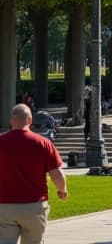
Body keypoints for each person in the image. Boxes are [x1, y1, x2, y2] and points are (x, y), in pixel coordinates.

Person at [0, 104, 68, 244]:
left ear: (11, 121)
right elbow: (56, 173)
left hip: (4, 204)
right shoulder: (43, 143)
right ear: (29, 120)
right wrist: (62, 190)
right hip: (34, 205)